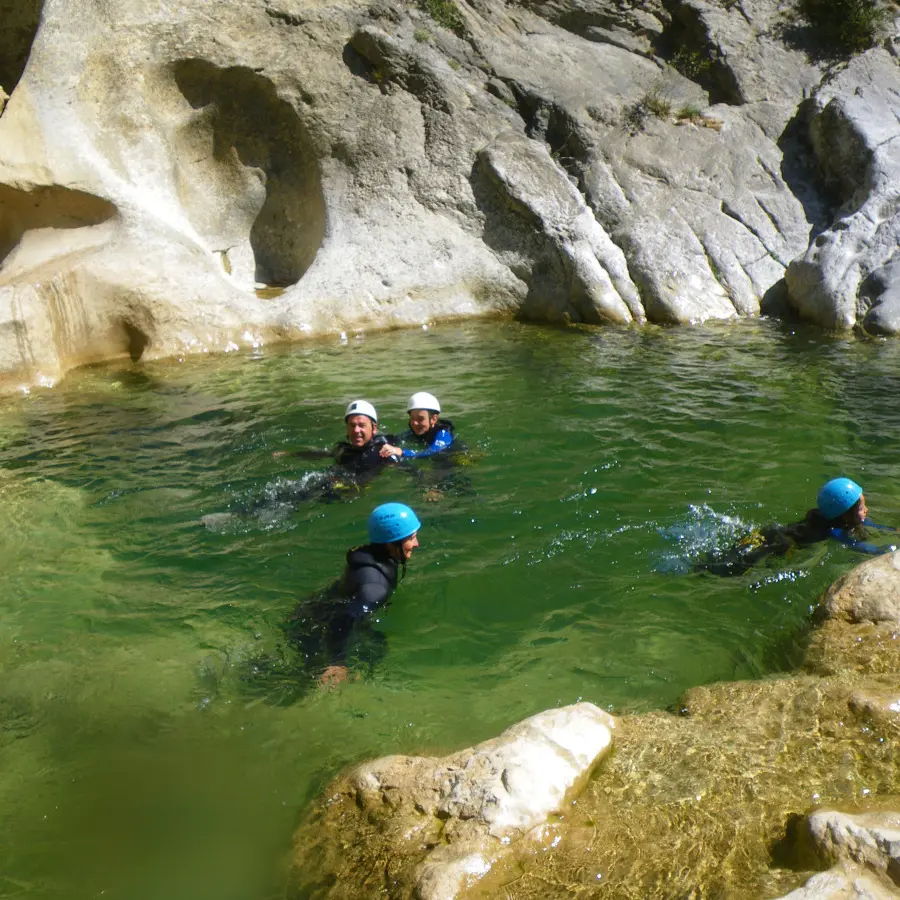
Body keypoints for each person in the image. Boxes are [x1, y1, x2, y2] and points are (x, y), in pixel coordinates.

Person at [286, 502, 422, 686]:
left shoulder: (369, 556)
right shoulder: (376, 589)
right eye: (411, 538)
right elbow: (343, 619)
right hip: (315, 628)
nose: (416, 544)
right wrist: (337, 662)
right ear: (391, 544)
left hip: (311, 611)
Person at [699, 477, 897, 577]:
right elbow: (862, 548)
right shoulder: (834, 531)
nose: (867, 510)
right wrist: (889, 551)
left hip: (773, 532)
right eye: (861, 508)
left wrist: (893, 531)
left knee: (735, 552)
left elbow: (871, 524)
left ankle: (704, 566)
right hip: (780, 543)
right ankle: (705, 570)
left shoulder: (829, 517)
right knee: (732, 567)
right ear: (845, 514)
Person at [379, 392, 455, 460]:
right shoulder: (415, 432)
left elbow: (433, 452)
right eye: (412, 418)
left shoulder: (442, 434)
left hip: (451, 459)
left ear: (433, 419)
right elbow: (398, 438)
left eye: (420, 419)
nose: (415, 423)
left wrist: (402, 452)